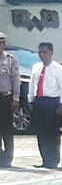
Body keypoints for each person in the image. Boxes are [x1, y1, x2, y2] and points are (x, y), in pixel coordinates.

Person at [28, 42, 62, 169]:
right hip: (39, 101)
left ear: (51, 52)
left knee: (52, 132)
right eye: (40, 52)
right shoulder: (36, 67)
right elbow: (32, 84)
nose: (42, 54)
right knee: (41, 132)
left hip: (52, 102)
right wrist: (31, 100)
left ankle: (53, 160)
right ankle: (45, 159)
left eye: (44, 52)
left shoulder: (58, 68)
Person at [0, 32, 19, 167]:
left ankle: (8, 157)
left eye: (1, 43)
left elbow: (16, 80)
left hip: (6, 98)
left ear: (4, 45)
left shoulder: (10, 59)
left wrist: (16, 98)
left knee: (6, 128)